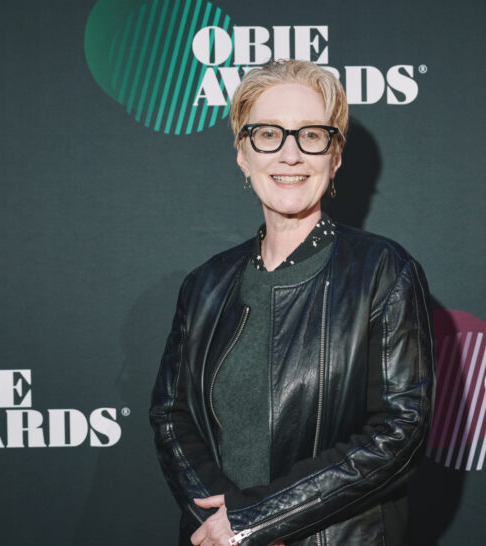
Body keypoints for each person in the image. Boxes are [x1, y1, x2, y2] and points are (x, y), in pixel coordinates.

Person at [150, 59, 435, 546]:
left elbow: (400, 431)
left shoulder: (384, 270)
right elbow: (171, 415)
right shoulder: (205, 285)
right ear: (243, 154)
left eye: (311, 135)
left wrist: (258, 519)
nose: (290, 154)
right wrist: (222, 522)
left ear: (335, 156)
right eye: (268, 134)